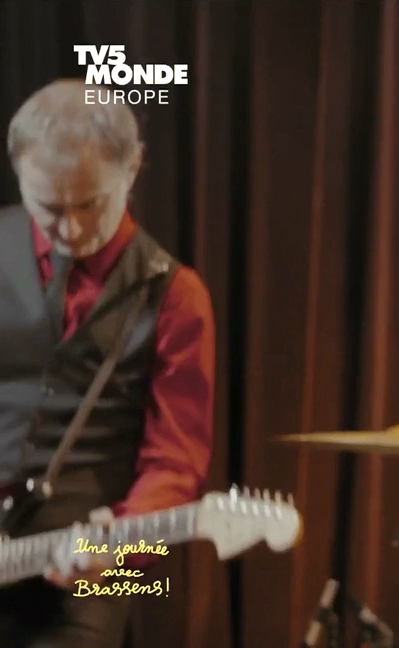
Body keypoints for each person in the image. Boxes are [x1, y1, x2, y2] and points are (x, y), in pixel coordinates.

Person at [0, 79, 215, 647]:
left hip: (99, 566)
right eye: (49, 207)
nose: (70, 229)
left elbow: (175, 464)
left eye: (90, 204)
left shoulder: (177, 295)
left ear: (133, 167)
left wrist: (120, 544)